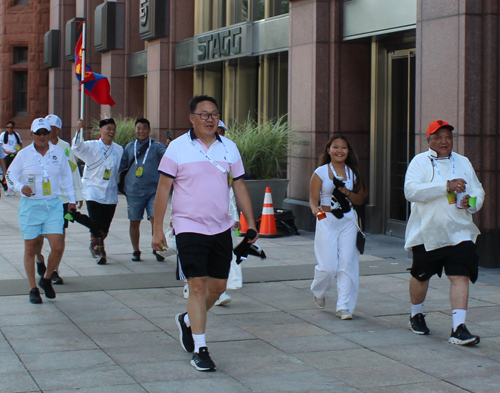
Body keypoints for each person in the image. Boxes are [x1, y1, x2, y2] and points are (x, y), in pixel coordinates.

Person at [152, 95, 258, 372]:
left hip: (221, 227)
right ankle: (201, 348)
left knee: (218, 288)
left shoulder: (229, 148)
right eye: (204, 114)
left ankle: (187, 320)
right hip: (188, 226)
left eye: (214, 114)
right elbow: (163, 190)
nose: (210, 119)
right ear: (192, 118)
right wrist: (156, 231)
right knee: (197, 285)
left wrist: (251, 222)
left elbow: (239, 187)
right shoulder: (177, 148)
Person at [405, 119, 485, 346]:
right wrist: (445, 187)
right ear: (428, 140)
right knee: (421, 275)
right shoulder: (419, 162)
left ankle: (458, 328)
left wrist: (471, 202)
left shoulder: (463, 162)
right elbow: (410, 191)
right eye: (438, 137)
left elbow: (478, 190)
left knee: (461, 274)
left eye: (448, 137)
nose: (444, 141)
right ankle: (415, 314)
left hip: (459, 230)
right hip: (426, 231)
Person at [5, 118, 76, 303]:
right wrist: (20, 187)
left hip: (52, 204)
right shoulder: (24, 154)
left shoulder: (59, 152)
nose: (43, 136)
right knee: (30, 248)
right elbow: (10, 175)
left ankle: (46, 279)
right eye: (39, 133)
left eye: (45, 132)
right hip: (30, 206)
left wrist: (73, 200)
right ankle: (33, 289)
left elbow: (67, 177)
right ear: (32, 135)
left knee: (58, 246)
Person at [309, 134, 366, 320]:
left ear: (348, 151)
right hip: (326, 219)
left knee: (346, 264)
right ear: (328, 150)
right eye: (335, 147)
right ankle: (318, 290)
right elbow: (312, 198)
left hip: (348, 220)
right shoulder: (320, 172)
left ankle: (344, 306)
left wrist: (347, 192)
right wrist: (316, 212)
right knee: (327, 267)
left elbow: (360, 199)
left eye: (343, 148)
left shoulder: (353, 173)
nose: (339, 151)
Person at [34, 114, 84, 284]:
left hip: (61, 198)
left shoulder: (64, 147)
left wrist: (77, 195)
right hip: (41, 198)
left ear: (57, 129)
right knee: (38, 237)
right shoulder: (36, 146)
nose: (46, 131)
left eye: (51, 128)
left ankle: (53, 270)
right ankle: (39, 259)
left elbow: (73, 170)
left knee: (59, 237)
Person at [72, 118, 123, 265]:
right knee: (95, 222)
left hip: (110, 192)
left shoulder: (118, 149)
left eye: (113, 128)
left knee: (104, 229)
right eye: (108, 128)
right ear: (101, 131)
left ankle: (94, 242)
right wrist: (78, 130)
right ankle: (99, 250)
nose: (111, 131)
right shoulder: (91, 146)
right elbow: (76, 148)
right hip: (92, 189)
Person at [118, 118, 167, 261]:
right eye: (138, 128)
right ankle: (136, 250)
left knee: (155, 219)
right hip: (133, 191)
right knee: (134, 221)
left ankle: (157, 248)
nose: (141, 131)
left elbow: (167, 156)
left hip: (153, 191)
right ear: (135, 130)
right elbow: (122, 166)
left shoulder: (157, 147)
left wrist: (169, 147)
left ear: (149, 130)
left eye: (144, 128)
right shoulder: (129, 147)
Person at [1, 120, 23, 195]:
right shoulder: (3, 135)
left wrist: (18, 150)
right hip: (6, 155)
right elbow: (1, 146)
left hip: (14, 155)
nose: (9, 129)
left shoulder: (16, 135)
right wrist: (6, 151)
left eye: (11, 127)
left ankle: (13, 187)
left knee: (14, 172)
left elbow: (20, 144)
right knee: (6, 172)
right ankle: (6, 187)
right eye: (7, 127)